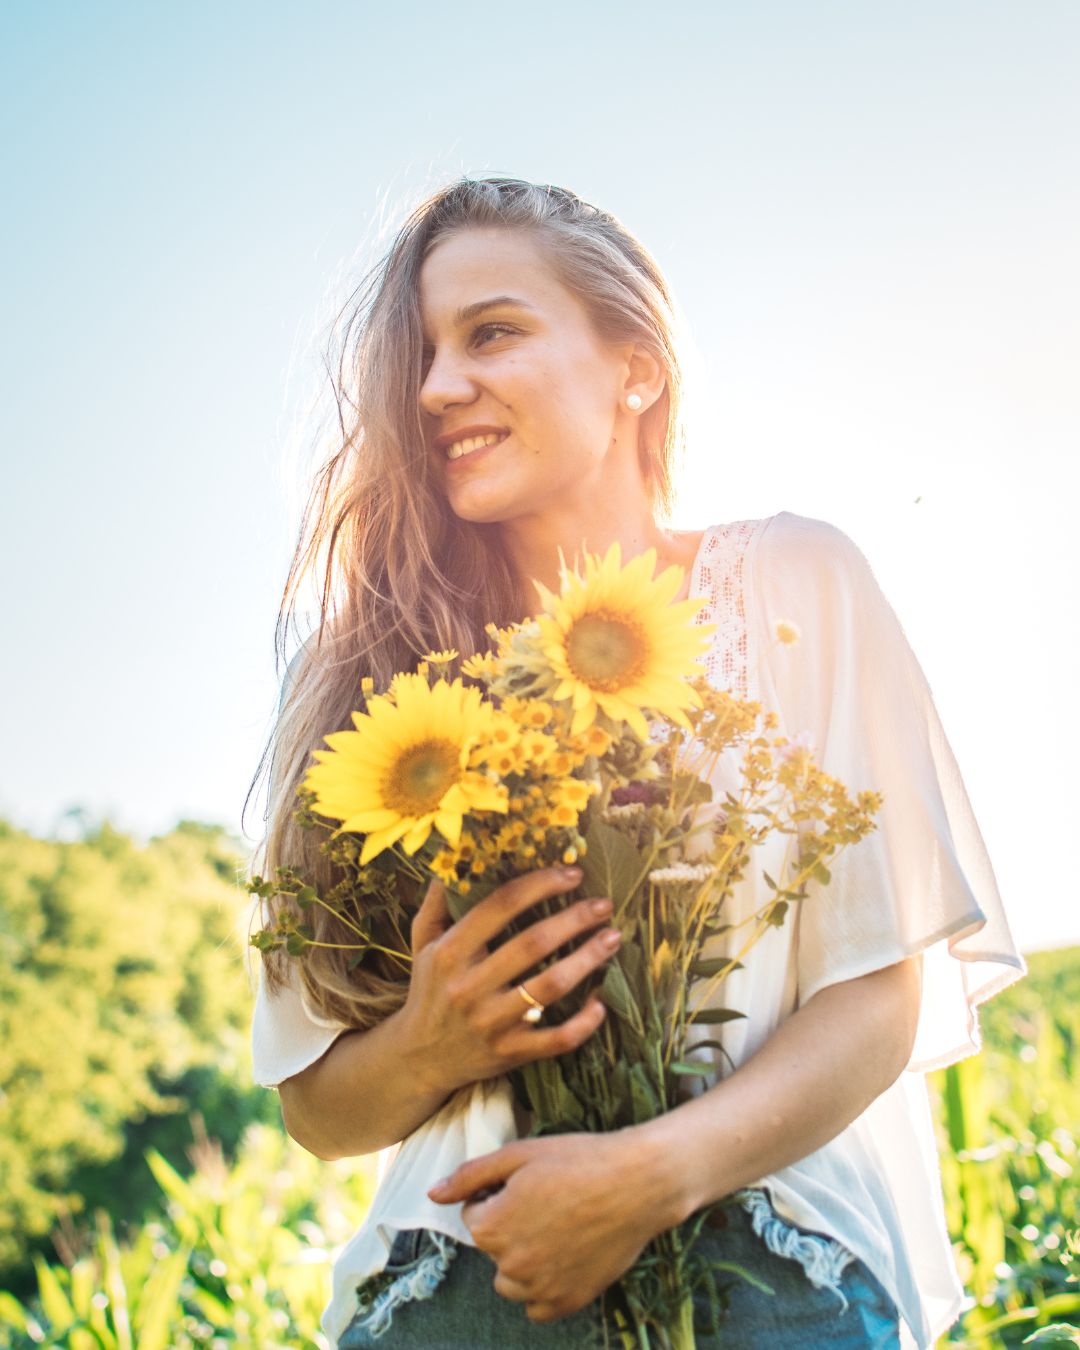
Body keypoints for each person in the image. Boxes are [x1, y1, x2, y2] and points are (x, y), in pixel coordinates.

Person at [247, 176, 1026, 1349]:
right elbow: (317, 1101)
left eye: (492, 331)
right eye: (421, 354)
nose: (436, 386)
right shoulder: (367, 675)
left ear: (637, 366)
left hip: (765, 1267)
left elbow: (878, 994)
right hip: (454, 1285)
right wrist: (432, 1042)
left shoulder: (793, 584)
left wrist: (645, 1178)